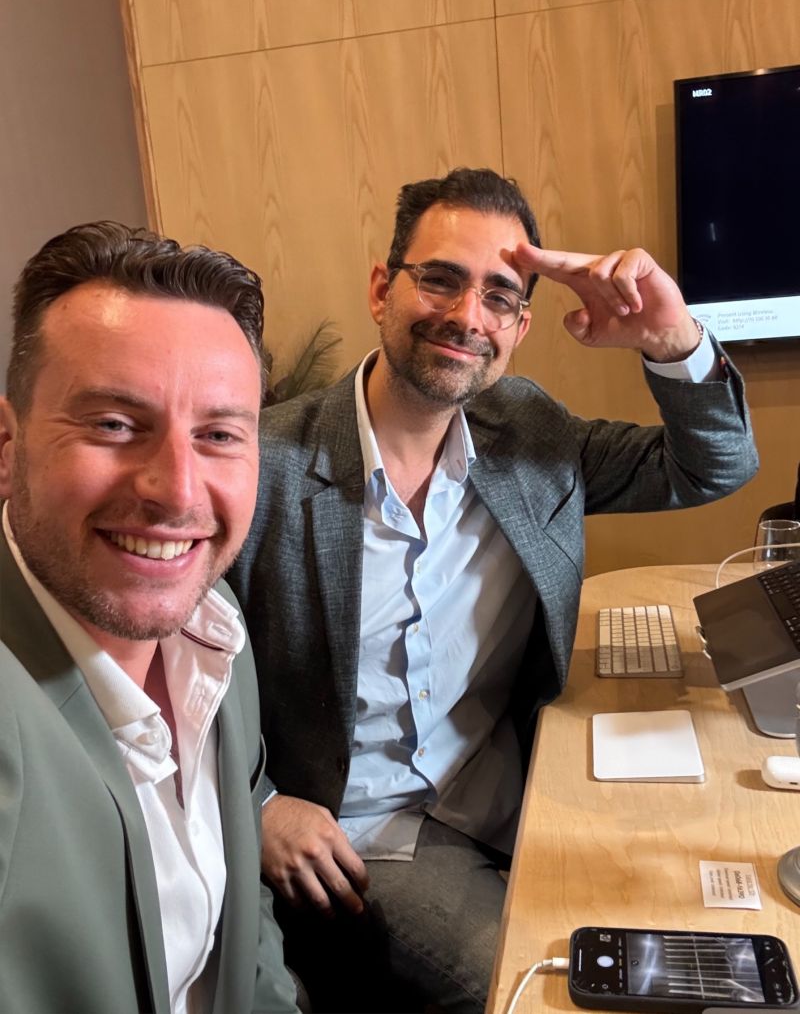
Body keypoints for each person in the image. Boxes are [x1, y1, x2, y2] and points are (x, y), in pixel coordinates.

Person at [228, 168, 758, 1013]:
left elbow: (711, 466)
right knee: (545, 996)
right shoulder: (263, 465)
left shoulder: (526, 434)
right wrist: (257, 806)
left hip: (515, 791)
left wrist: (671, 337)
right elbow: (159, 669)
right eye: (440, 279)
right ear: (381, 287)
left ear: (520, 326)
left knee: (700, 935)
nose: (467, 316)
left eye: (499, 297)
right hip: (368, 835)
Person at [0, 223, 299, 1014]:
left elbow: (241, 909)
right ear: (6, 445)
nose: (178, 491)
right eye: (113, 424)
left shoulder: (215, 626)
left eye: (219, 435)